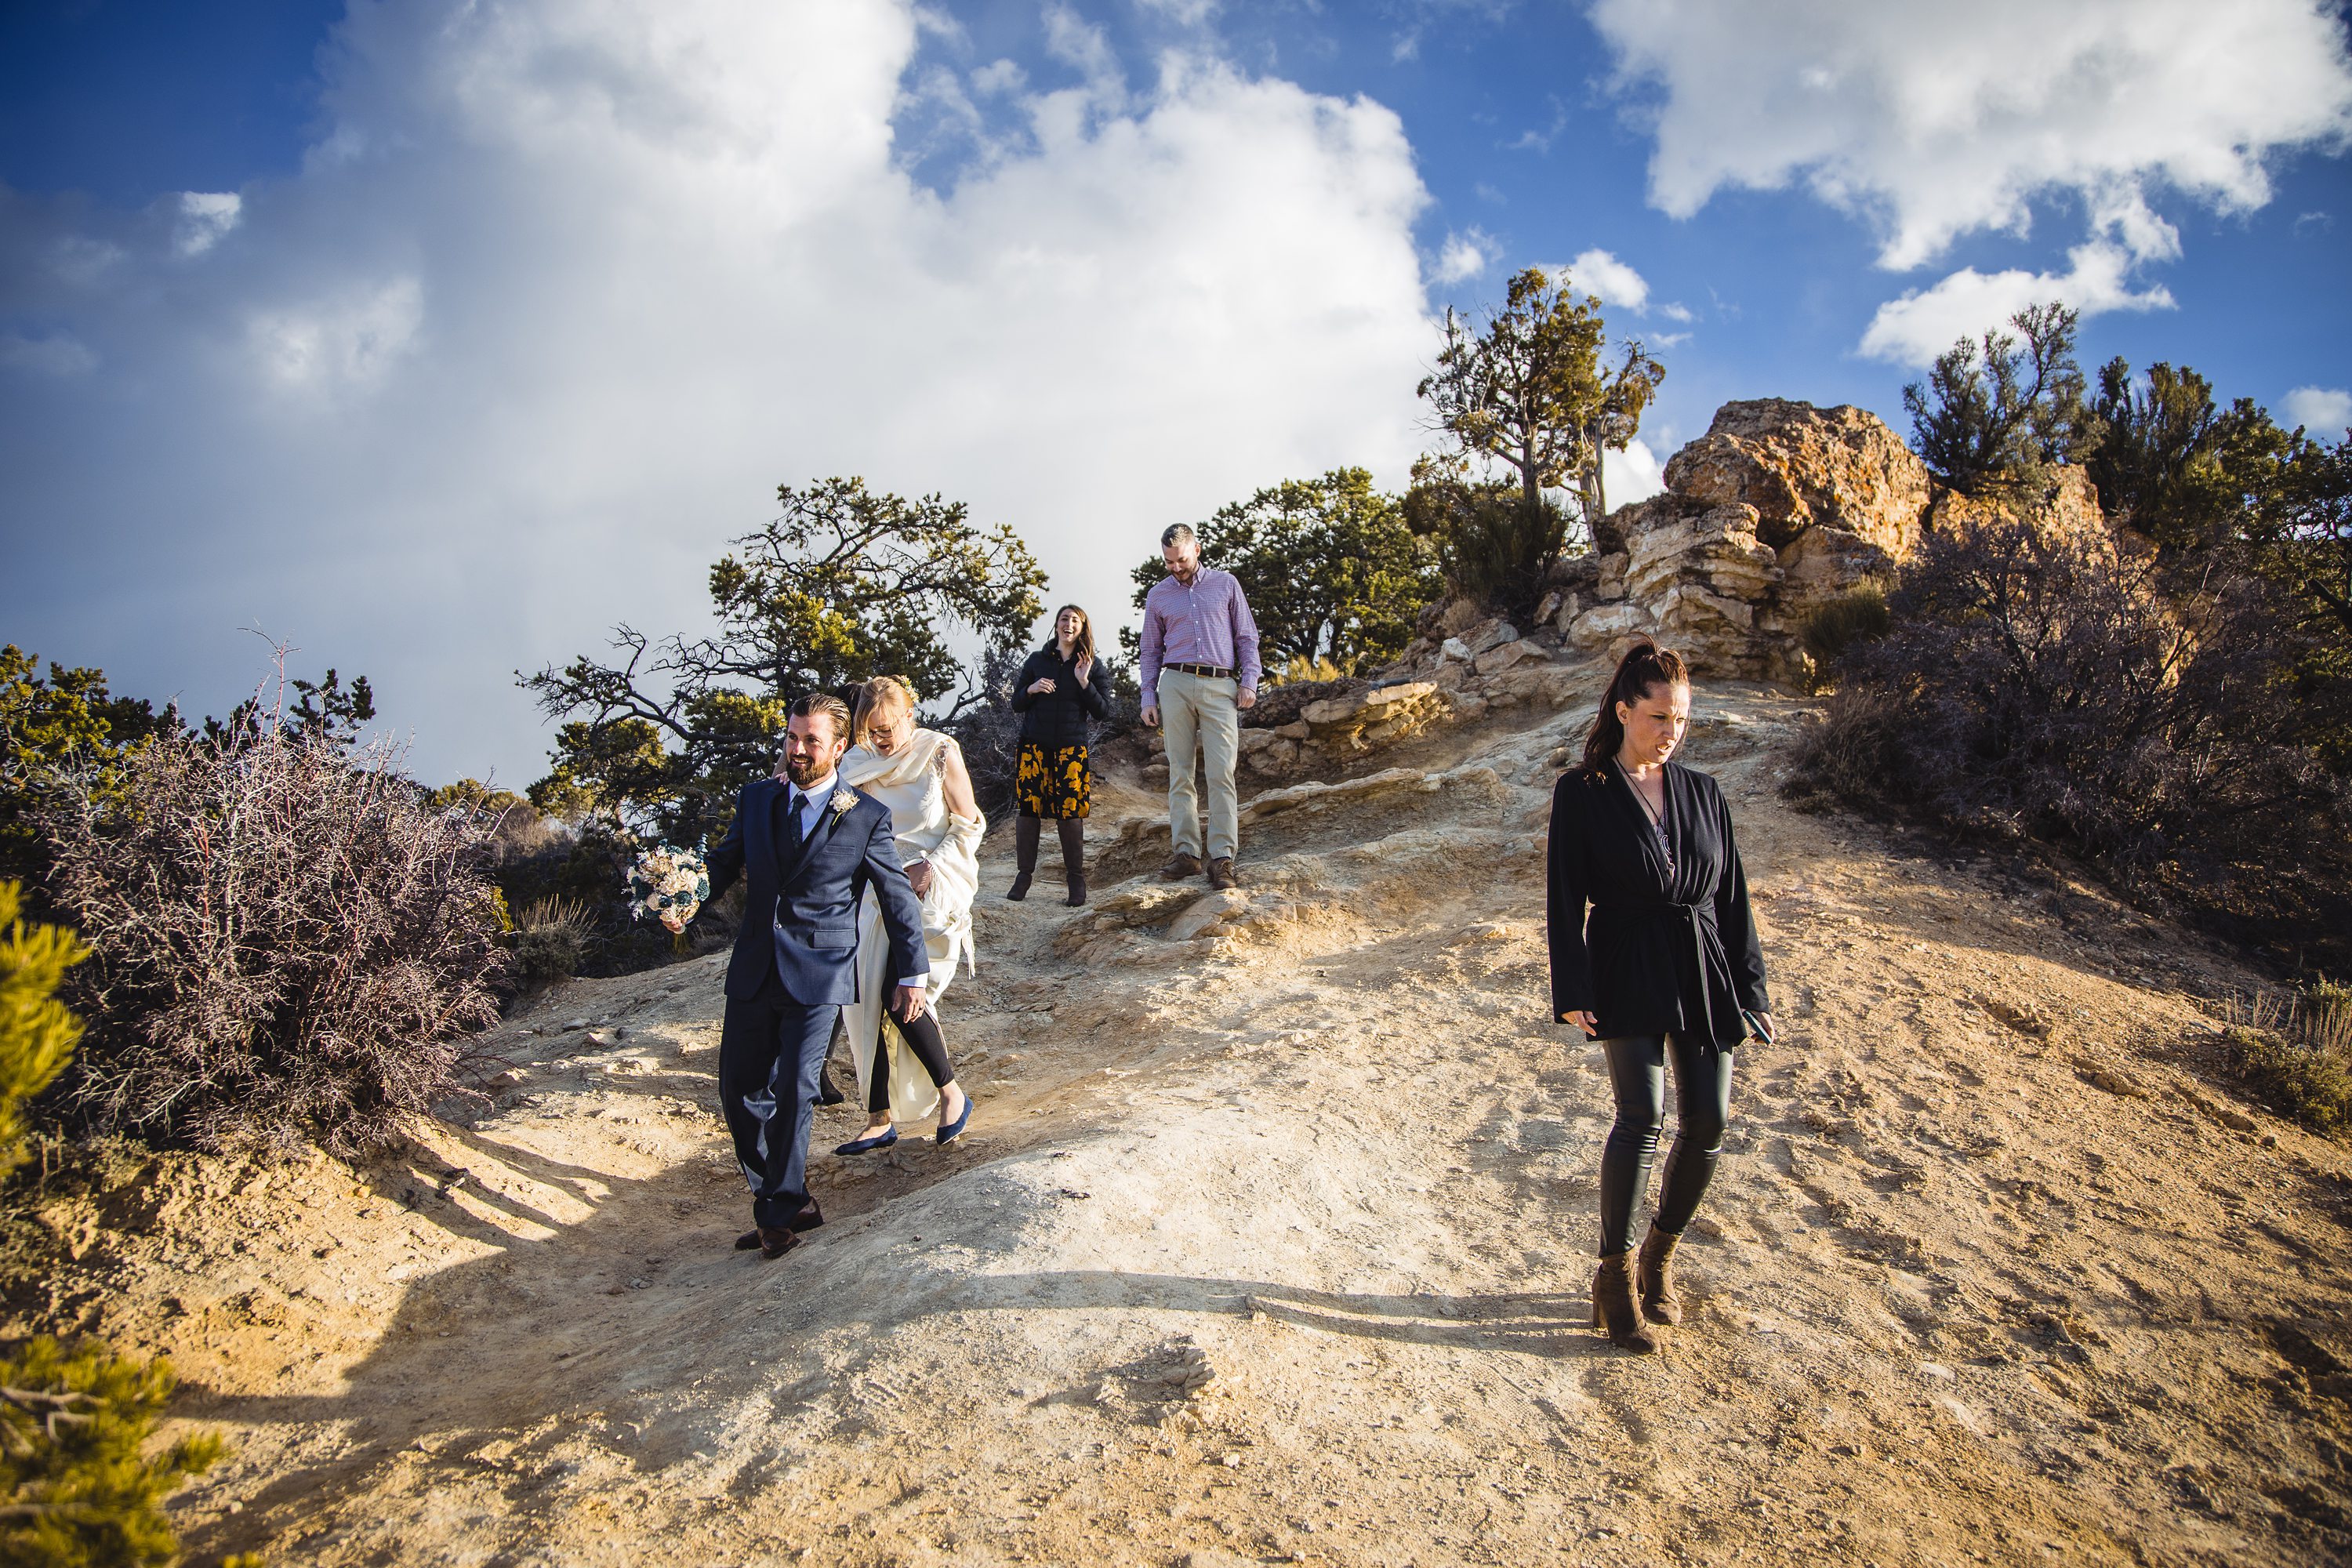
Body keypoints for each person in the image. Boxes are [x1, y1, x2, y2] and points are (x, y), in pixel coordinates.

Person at [1545, 638, 1772, 1353]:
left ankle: (1659, 1255)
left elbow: (1732, 896)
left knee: (1709, 1120)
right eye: (1658, 717)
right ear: (1622, 712)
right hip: (1625, 960)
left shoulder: (1705, 791)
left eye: (1680, 719)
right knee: (1641, 1115)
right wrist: (1573, 986)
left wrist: (1752, 986)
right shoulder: (1582, 794)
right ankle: (1612, 1276)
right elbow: (1563, 901)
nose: (1671, 732)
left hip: (1702, 962)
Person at [699, 693, 930, 1260]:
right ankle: (789, 1195)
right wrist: (684, 894)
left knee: (796, 1090)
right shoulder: (756, 800)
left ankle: (776, 1215)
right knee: (738, 1090)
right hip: (755, 967)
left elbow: (896, 898)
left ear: (839, 747)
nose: (798, 750)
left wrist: (912, 972)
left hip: (821, 972)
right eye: (791, 738)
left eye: (811, 741)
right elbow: (723, 864)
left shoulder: (867, 816)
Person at [835, 677, 984, 1152]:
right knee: (865, 998)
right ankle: (880, 1117)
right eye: (872, 731)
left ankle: (950, 1094)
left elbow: (969, 825)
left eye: (888, 728)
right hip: (875, 891)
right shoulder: (856, 765)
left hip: (932, 886)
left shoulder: (939, 752)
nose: (882, 739)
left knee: (899, 989)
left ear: (910, 716)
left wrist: (931, 868)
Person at [1138, 523, 1261, 889]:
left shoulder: (1226, 584)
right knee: (1180, 772)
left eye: (1181, 559)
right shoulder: (1158, 596)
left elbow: (1246, 637)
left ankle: (1222, 859)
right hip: (1174, 683)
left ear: (1198, 549)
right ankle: (1187, 855)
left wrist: (1249, 681)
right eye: (1168, 562)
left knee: (1222, 773)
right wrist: (1148, 695)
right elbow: (1150, 650)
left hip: (1220, 683)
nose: (1175, 567)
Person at [1008, 604, 1115, 906]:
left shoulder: (1092, 665)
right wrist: (1031, 688)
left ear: (1082, 628)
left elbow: (1103, 711)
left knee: (1070, 816)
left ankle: (1076, 884)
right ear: (1056, 625)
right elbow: (1017, 703)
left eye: (1076, 620)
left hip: (1071, 750)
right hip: (1033, 747)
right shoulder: (1037, 661)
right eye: (1064, 619)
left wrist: (1084, 681)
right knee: (1028, 812)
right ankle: (1023, 877)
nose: (1069, 624)